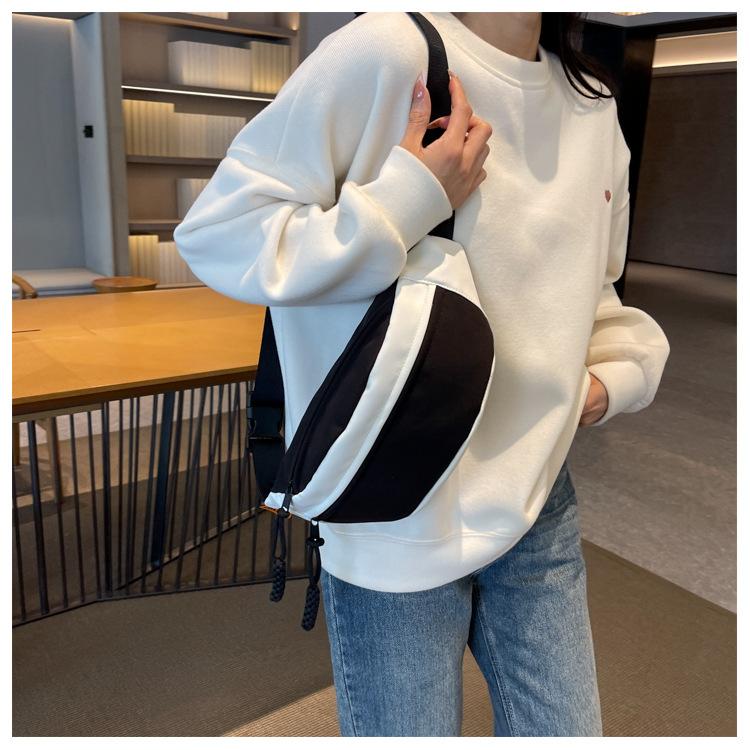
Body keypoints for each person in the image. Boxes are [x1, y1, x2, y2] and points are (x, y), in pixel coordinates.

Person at [174, 11, 670, 737]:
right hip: (395, 501)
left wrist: (615, 374)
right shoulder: (391, 51)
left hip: (538, 494)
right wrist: (409, 199)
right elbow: (219, 233)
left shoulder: (590, 104)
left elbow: (592, 287)